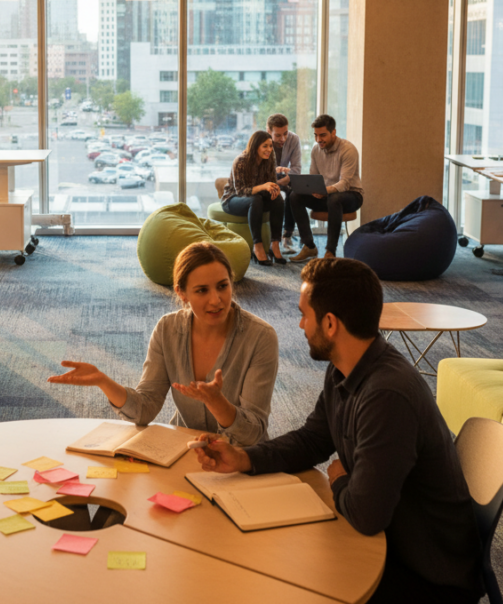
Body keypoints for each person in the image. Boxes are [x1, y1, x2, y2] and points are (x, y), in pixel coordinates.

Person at [192, 258, 482, 604]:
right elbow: (312, 439)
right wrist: (242, 458)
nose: (300, 325)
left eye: (304, 314)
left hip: (425, 573)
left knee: (283, 581)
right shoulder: (345, 368)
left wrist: (339, 478)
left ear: (330, 324)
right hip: (391, 541)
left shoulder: (386, 396)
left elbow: (366, 514)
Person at [48, 242, 278, 446]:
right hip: (185, 450)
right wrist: (104, 382)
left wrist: (217, 402)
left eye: (222, 286)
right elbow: (145, 409)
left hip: (242, 460)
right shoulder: (168, 329)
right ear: (182, 293)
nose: (216, 300)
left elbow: (253, 434)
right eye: (201, 290)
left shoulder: (260, 337)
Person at [290, 114, 362, 261]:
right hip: (327, 195)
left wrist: (325, 191)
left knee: (335, 199)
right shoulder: (316, 150)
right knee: (294, 196)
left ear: (333, 132)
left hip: (351, 195)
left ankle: (330, 251)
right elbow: (313, 178)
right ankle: (309, 246)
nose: (318, 140)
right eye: (316, 135)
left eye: (322, 135)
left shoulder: (348, 150)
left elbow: (345, 183)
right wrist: (309, 188)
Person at [221, 130, 287, 265]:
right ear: (255, 146)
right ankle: (258, 246)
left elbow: (271, 183)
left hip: (257, 199)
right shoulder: (241, 161)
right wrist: (263, 186)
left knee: (279, 199)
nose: (269, 149)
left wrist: (274, 189)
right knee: (255, 200)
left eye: (270, 146)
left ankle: (275, 245)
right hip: (232, 199)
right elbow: (240, 191)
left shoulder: (269, 158)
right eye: (265, 146)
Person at [267, 113, 303, 251]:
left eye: (285, 133)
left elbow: (296, 169)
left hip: (285, 176)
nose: (283, 138)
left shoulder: (293, 139)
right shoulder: (261, 141)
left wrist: (284, 180)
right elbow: (257, 170)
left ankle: (287, 235)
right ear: (269, 131)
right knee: (273, 196)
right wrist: (273, 181)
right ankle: (271, 236)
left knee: (294, 192)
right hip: (266, 178)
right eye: (277, 135)